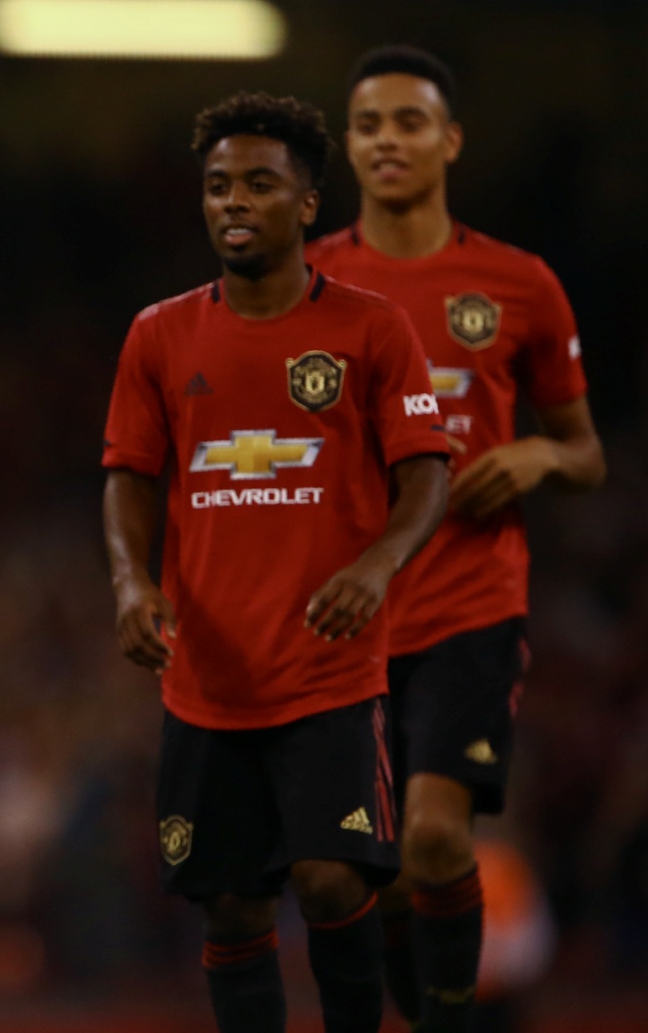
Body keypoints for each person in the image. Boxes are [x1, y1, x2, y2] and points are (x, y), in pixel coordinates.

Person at [101, 91, 451, 1032]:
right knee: (230, 904)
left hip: (330, 673)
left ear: (308, 204)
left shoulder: (373, 329)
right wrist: (132, 580)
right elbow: (130, 475)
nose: (234, 202)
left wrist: (378, 564)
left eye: (260, 184)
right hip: (207, 677)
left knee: (332, 880)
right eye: (219, 185)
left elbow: (427, 473)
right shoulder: (159, 333)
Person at [308, 45, 604, 1032]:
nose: (387, 140)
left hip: (471, 605)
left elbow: (586, 452)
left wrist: (536, 457)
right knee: (372, 871)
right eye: (368, 125)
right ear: (349, 147)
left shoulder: (517, 283)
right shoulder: (309, 284)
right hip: (348, 617)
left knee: (435, 837)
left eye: (409, 121)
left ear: (451, 140)